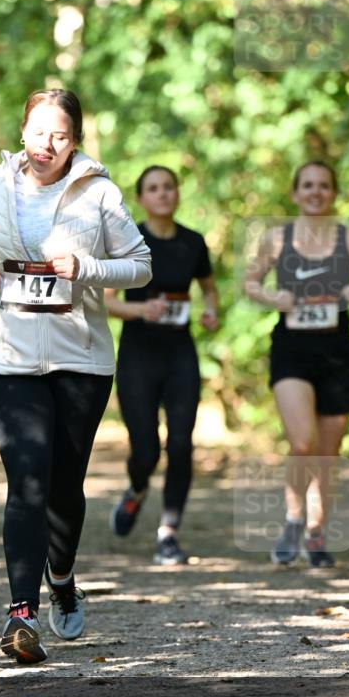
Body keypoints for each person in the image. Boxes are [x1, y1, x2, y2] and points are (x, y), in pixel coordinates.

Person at [0, 88, 152, 664]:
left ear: (75, 141)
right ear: (22, 131)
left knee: (64, 486)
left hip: (81, 360)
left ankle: (61, 578)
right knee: (27, 481)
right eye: (39, 131)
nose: (47, 144)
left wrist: (86, 268)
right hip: (10, 356)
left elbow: (140, 266)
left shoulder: (101, 194)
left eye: (60, 135)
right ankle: (21, 614)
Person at [244, 160, 349, 567]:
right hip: (291, 350)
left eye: (323, 186)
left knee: (327, 451)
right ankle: (293, 517)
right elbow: (250, 283)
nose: (315, 192)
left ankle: (317, 532)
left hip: (337, 354)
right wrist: (274, 298)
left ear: (334, 193)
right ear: (295, 193)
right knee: (303, 441)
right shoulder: (278, 238)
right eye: (307, 185)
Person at [104, 165, 219, 564]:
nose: (163, 194)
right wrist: (140, 309)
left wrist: (211, 312)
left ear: (177, 193)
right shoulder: (128, 241)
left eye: (169, 187)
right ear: (141, 198)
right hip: (139, 355)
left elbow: (208, 289)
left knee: (183, 445)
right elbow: (106, 300)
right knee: (146, 451)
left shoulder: (193, 242)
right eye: (153, 188)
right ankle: (136, 490)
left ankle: (168, 532)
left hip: (180, 354)